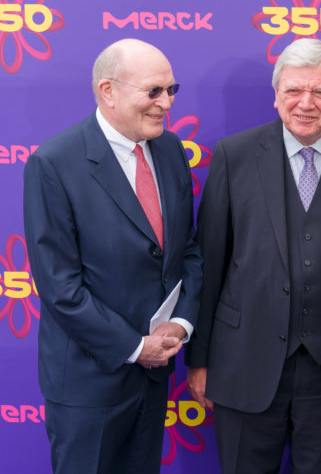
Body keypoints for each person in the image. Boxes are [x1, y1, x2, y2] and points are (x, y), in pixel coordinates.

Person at [186, 38, 321, 474]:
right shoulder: (234, 155)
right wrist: (200, 358)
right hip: (243, 361)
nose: (306, 103)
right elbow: (209, 262)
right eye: (294, 91)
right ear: (276, 95)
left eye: (320, 92)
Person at [23, 38, 203, 474]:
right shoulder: (54, 163)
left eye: (171, 90)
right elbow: (58, 286)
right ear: (108, 91)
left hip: (154, 376)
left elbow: (188, 251)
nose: (166, 103)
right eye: (154, 92)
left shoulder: (171, 151)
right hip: (88, 383)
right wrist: (134, 346)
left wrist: (180, 323)